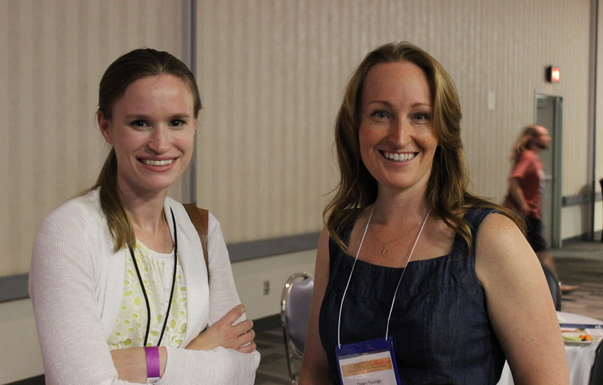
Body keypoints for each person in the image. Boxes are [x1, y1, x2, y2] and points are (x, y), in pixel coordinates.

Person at [299, 42, 568, 384]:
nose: (400, 137)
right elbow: (316, 370)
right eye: (380, 114)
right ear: (356, 127)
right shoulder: (339, 235)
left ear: (443, 131)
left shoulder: (490, 237)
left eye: (420, 116)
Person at [29, 49, 260, 384]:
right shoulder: (68, 233)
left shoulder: (202, 229)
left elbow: (243, 371)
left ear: (194, 125)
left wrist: (153, 361)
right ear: (106, 126)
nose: (160, 144)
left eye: (176, 122)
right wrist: (200, 352)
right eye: (140, 123)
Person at [505, 125, 578, 293]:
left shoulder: (533, 159)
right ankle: (554, 286)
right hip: (525, 214)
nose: (548, 138)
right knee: (542, 251)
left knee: (533, 251)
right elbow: (514, 180)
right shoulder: (528, 158)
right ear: (533, 138)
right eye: (544, 135)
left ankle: (548, 285)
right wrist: (524, 205)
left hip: (529, 214)